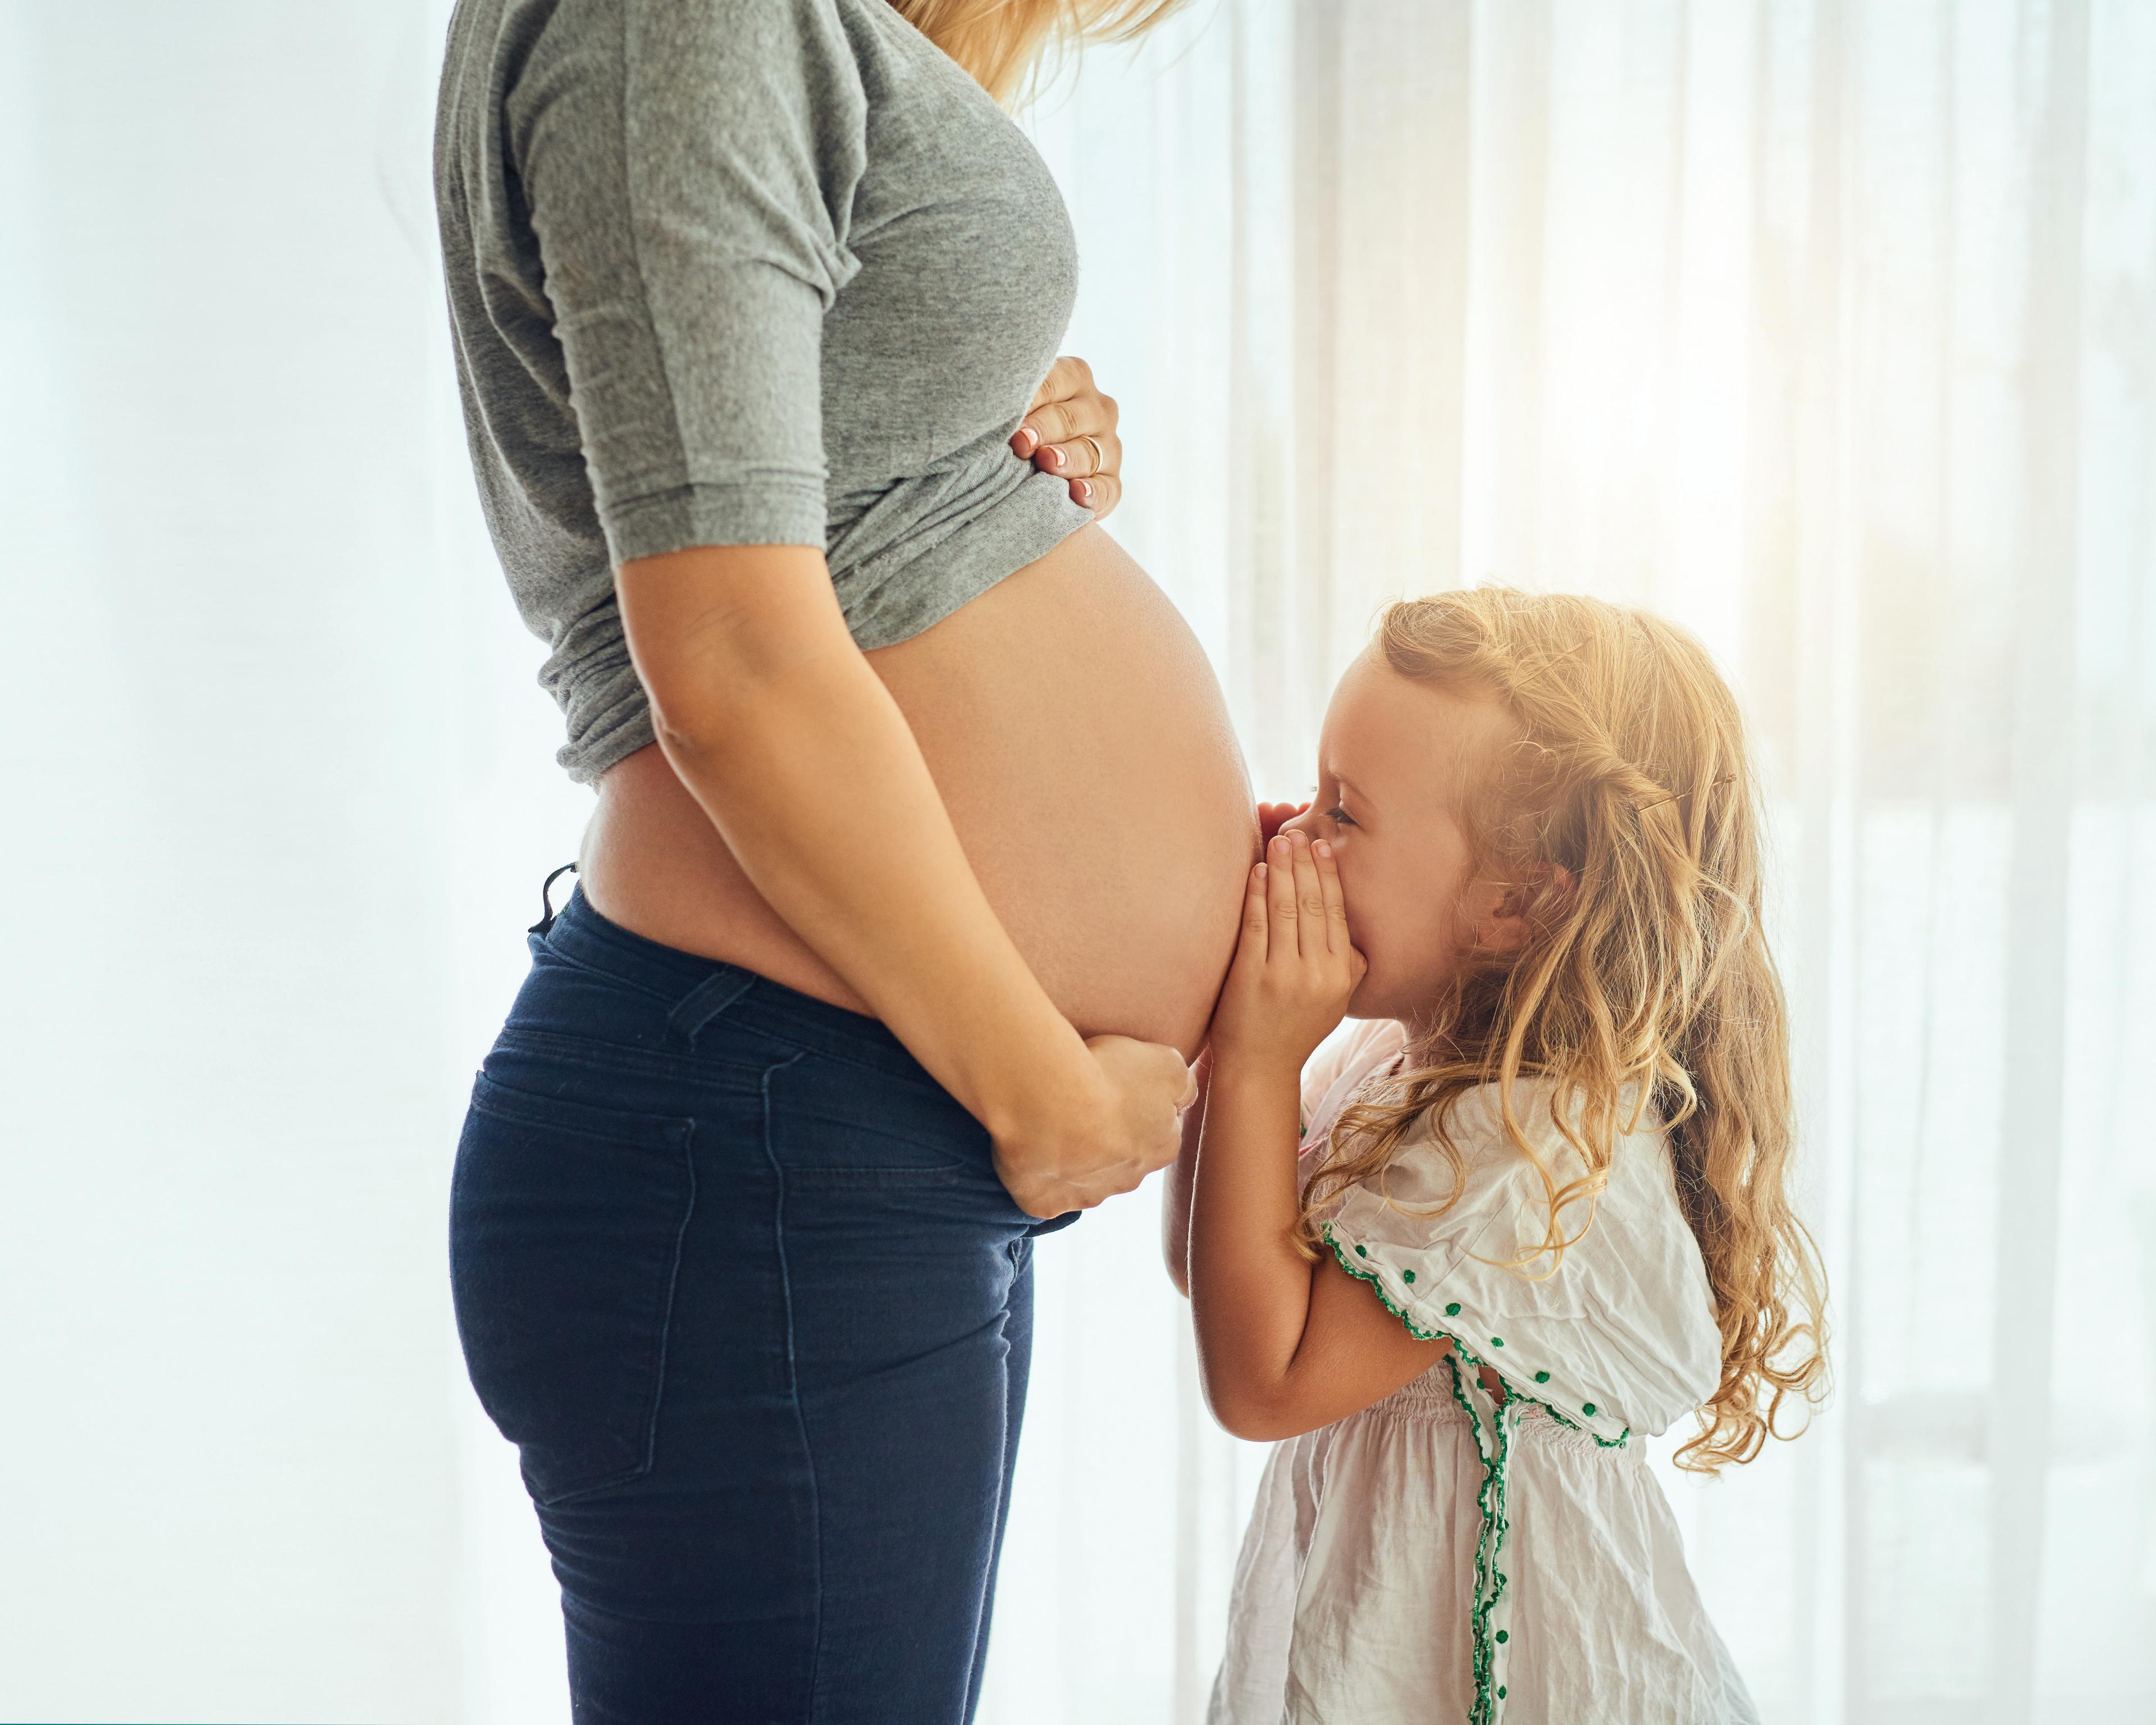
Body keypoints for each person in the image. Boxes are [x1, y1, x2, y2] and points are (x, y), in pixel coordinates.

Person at [432, 1, 1250, 1719]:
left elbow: (780, 507)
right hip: (771, 1139)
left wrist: (989, 431)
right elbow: (729, 663)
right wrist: (1039, 1090)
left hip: (829, 1124)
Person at [1166, 589, 1830, 1724]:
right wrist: (1243, 1063)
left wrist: (1263, 1051)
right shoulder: (1392, 1065)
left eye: (1345, 811)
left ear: (1514, 903)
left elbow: (1262, 1380)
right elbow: (1214, 1268)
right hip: (1381, 1619)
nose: (1297, 837)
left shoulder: (1526, 1146)